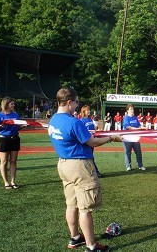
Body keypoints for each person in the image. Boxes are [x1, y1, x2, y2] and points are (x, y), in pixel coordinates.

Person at [48, 87, 121, 252]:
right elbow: (93, 142)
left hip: (63, 164)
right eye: (76, 102)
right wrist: (111, 138)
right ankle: (91, 246)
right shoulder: (73, 121)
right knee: (85, 208)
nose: (77, 105)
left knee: (71, 204)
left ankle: (75, 238)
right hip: (79, 166)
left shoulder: (53, 120)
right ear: (69, 102)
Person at [0, 97, 24, 189]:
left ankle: (13, 181)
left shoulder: (15, 114)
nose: (13, 105)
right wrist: (1, 125)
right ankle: (6, 182)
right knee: (4, 161)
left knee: (13, 161)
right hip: (3, 140)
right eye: (12, 104)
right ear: (6, 104)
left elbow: (17, 127)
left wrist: (23, 126)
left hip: (14, 139)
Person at [80, 106, 102, 177]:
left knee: (90, 157)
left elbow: (93, 129)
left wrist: (96, 131)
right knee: (89, 157)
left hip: (92, 140)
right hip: (86, 141)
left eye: (89, 110)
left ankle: (92, 172)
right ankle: (95, 172)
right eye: (87, 110)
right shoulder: (81, 121)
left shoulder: (90, 120)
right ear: (84, 112)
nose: (89, 111)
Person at [122, 104, 146, 171]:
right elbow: (127, 126)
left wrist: (142, 127)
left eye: (132, 109)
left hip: (135, 138)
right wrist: (135, 128)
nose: (132, 110)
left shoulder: (135, 118)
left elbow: (139, 126)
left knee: (138, 152)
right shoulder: (126, 118)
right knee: (128, 153)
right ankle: (128, 166)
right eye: (130, 109)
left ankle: (140, 165)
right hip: (127, 138)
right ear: (127, 110)